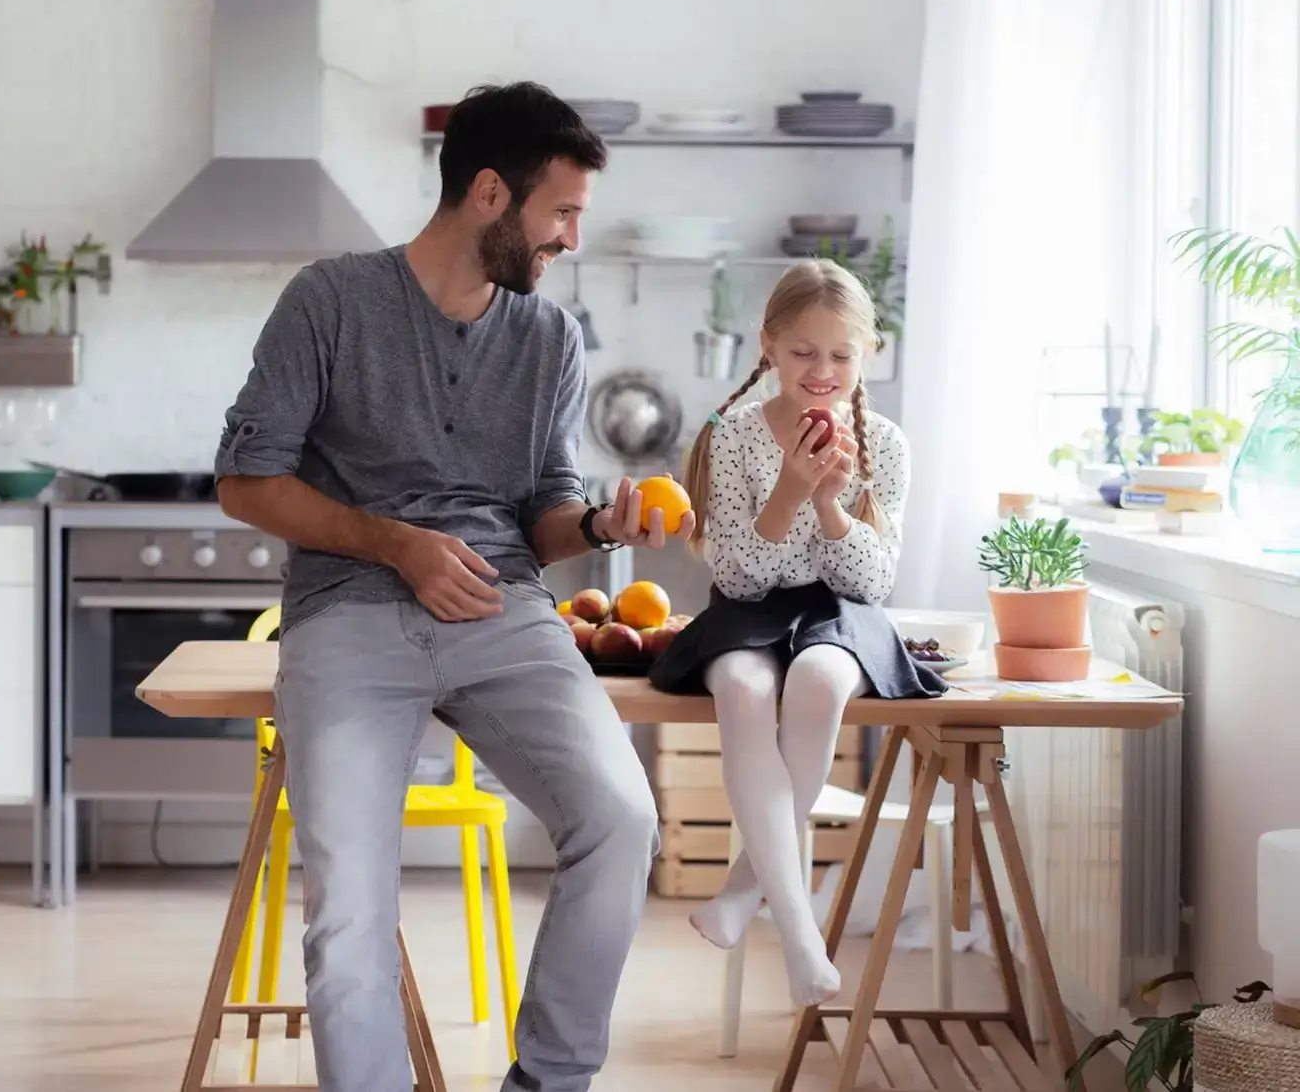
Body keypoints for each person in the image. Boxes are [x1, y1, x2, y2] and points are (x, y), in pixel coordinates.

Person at [214, 82, 691, 1092]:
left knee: (621, 815)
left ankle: (549, 1082)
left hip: (504, 614)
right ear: (487, 192)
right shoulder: (332, 299)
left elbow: (546, 513)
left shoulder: (550, 339)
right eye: (560, 212)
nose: (569, 236)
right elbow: (245, 480)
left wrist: (605, 522)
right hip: (347, 615)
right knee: (347, 904)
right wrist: (394, 543)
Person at [659, 259, 945, 1009]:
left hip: (840, 613)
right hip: (746, 610)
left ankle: (742, 895)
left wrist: (828, 505)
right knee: (746, 689)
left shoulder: (884, 445)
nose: (822, 370)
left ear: (868, 355)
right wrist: (788, 490)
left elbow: (871, 583)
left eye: (840, 355)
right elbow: (741, 578)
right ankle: (800, 936)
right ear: (769, 347)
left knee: (819, 680)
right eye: (802, 353)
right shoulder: (733, 438)